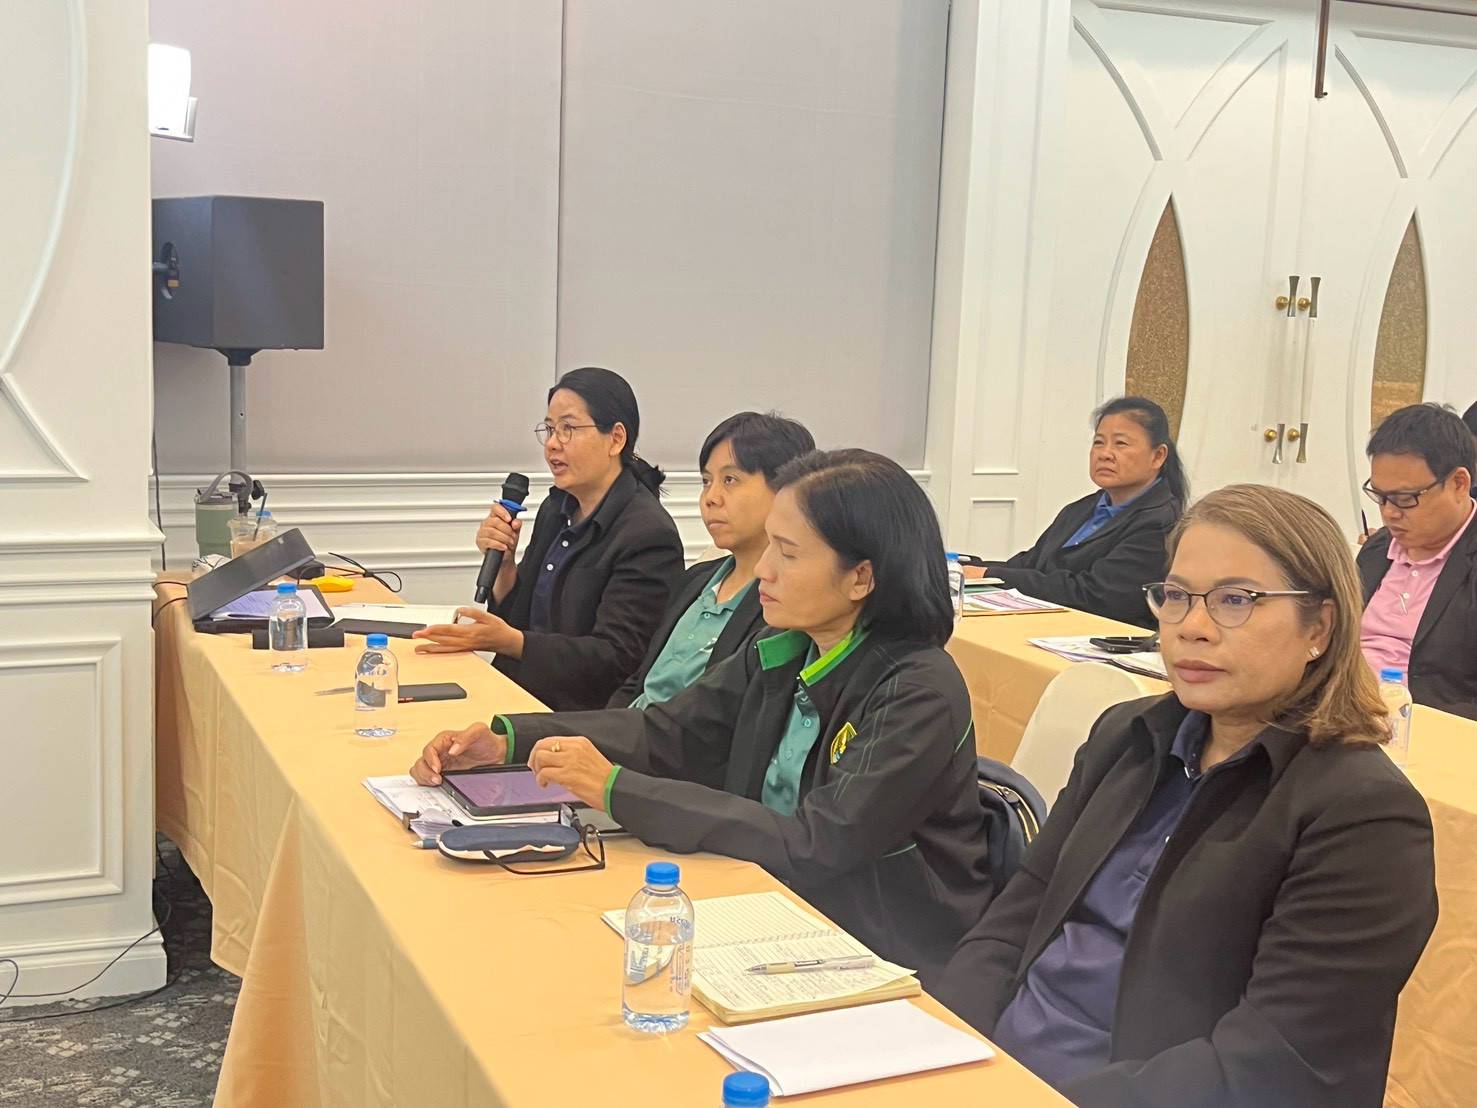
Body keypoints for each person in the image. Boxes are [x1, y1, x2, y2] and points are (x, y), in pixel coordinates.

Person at [936, 484, 1437, 1107]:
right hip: (995, 1071)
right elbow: (1019, 913)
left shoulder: (1364, 815)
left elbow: (1270, 1060)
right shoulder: (1129, 736)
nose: (1192, 628)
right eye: (1175, 597)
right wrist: (946, 1043)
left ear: (1320, 626)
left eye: (1235, 600)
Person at [411, 450, 995, 982]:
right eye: (770, 546)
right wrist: (510, 740)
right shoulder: (787, 647)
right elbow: (667, 731)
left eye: (788, 554)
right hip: (765, 900)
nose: (763, 570)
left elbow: (816, 843)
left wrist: (616, 788)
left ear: (861, 577)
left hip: (879, 946)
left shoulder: (917, 691)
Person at [413, 367, 683, 711]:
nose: (553, 444)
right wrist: (505, 565)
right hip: (518, 691)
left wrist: (512, 642)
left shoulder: (648, 535)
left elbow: (616, 659)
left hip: (578, 715)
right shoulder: (556, 508)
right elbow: (520, 619)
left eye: (569, 429)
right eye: (550, 429)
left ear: (616, 438)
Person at [609, 411, 815, 709]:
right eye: (706, 481)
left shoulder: (781, 605)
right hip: (624, 728)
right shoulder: (696, 580)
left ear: (784, 489)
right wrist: (595, 729)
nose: (710, 497)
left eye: (730, 480)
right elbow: (639, 682)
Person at [961, 396, 1187, 627]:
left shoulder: (1160, 522)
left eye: (1121, 444)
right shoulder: (1081, 509)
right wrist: (967, 568)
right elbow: (1031, 564)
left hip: (1101, 638)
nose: (1105, 454)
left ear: (1158, 456)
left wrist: (990, 574)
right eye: (1099, 442)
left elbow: (1096, 595)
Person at [1359, 402, 1477, 719]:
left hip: (1429, 727)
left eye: (1405, 499)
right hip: (1346, 710)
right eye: (1380, 496)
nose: (1389, 513)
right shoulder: (1377, 550)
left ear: (1459, 483)